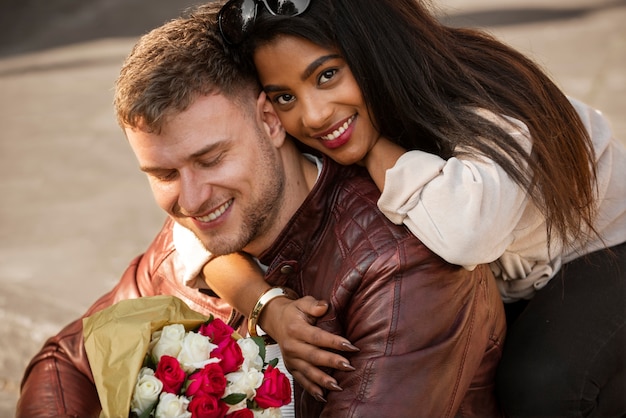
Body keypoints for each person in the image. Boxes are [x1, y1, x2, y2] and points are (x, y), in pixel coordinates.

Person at [16, 3, 507, 417]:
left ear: (271, 120)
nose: (189, 200)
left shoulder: (400, 265)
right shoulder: (194, 237)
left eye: (211, 159)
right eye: (163, 175)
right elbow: (66, 359)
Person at [189, 0, 626, 416]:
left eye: (327, 75)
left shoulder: (481, 97)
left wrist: (376, 150)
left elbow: (468, 233)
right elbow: (199, 227)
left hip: (604, 246)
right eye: (285, 97)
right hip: (519, 277)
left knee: (544, 387)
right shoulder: (315, 132)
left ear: (373, 48)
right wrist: (268, 305)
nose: (315, 115)